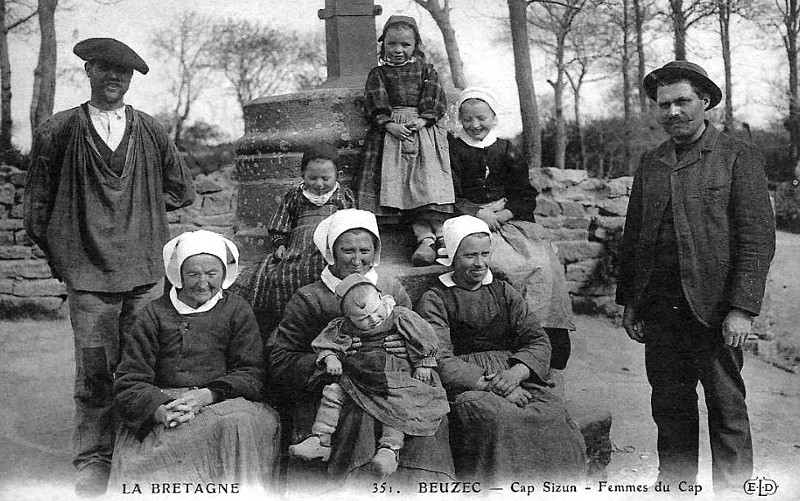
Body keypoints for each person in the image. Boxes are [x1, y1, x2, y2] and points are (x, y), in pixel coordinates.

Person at [23, 38, 195, 496]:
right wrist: (68, 250)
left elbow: (180, 188)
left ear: (131, 79)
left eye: (124, 72)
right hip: (87, 275)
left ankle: (136, 453)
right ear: (89, 72)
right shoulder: (59, 129)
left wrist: (140, 213)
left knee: (142, 365)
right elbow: (37, 206)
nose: (114, 79)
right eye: (105, 69)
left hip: (142, 272)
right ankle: (94, 460)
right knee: (96, 370)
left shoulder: (151, 129)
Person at [616, 60, 775, 494]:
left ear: (705, 102)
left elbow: (757, 239)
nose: (673, 112)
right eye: (663, 105)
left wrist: (741, 309)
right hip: (661, 311)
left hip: (715, 309)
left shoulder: (738, 156)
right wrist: (631, 302)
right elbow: (634, 239)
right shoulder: (652, 162)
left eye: (682, 101)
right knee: (670, 409)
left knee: (726, 410)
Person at [269, 209, 455, 486]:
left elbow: (419, 334)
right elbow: (280, 359)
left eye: (365, 250)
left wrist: (407, 351)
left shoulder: (391, 289)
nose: (357, 260)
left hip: (395, 380)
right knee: (360, 416)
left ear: (376, 250)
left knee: (424, 412)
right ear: (331, 251)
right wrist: (327, 360)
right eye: (347, 250)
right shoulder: (309, 297)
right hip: (331, 391)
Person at [415, 215, 586, 484]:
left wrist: (518, 372)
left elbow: (537, 339)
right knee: (494, 417)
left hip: (514, 374)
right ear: (452, 257)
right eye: (470, 256)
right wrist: (495, 385)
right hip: (470, 385)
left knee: (553, 413)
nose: (479, 263)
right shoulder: (436, 299)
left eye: (485, 254)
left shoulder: (504, 291)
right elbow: (440, 357)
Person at [110, 230, 280, 492]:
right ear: (178, 274)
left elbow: (251, 372)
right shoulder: (153, 314)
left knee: (240, 424)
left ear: (224, 275)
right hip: (167, 402)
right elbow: (130, 380)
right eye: (193, 274)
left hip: (220, 399)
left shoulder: (237, 310)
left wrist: (208, 394)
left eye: (212, 274)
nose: (203, 283)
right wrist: (160, 410)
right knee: (164, 449)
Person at [448, 87, 575, 370]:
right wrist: (478, 213)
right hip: (469, 219)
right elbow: (449, 193)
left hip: (507, 221)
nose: (475, 125)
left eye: (481, 118)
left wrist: (503, 214)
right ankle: (510, 340)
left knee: (543, 262)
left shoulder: (506, 149)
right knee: (502, 265)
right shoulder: (453, 148)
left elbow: (524, 194)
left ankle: (545, 338)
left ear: (493, 117)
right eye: (467, 119)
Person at [289, 274, 449, 478]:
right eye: (362, 319)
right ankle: (321, 440)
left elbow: (424, 336)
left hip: (394, 375)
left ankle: (390, 450)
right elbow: (326, 343)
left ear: (382, 298)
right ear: (348, 317)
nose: (373, 320)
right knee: (333, 392)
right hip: (358, 376)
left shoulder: (399, 316)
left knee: (398, 405)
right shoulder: (342, 326)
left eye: (375, 312)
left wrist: (423, 362)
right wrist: (331, 358)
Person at [357, 15, 454, 266]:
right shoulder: (378, 73)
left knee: (427, 186)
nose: (398, 50)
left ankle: (443, 237)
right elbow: (374, 100)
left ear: (415, 45)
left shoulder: (426, 69)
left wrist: (424, 119)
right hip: (391, 136)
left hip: (422, 134)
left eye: (405, 45)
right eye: (392, 44)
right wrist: (389, 124)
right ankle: (425, 240)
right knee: (401, 188)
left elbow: (435, 95)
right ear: (383, 45)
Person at [235, 144, 355, 334]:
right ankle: (289, 317)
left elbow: (352, 224)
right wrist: (280, 244)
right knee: (282, 274)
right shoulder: (295, 196)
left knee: (327, 271)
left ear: (337, 175)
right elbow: (281, 222)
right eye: (312, 178)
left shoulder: (342, 195)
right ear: (302, 175)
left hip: (329, 245)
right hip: (299, 246)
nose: (319, 184)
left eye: (326, 178)